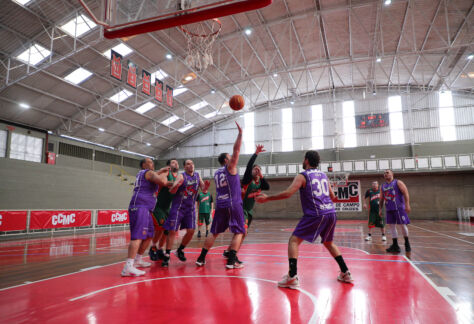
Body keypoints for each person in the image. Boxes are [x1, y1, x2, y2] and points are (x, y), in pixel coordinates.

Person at [256, 150, 353, 289]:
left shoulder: (303, 176)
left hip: (316, 213)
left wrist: (267, 198)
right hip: (331, 212)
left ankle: (292, 276)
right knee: (329, 243)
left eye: (303, 159)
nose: (303, 161)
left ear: (307, 160)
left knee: (293, 241)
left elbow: (288, 193)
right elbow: (333, 197)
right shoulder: (323, 175)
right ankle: (345, 272)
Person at [196, 122, 246, 269]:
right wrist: (240, 134)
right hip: (233, 203)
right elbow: (236, 150)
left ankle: (201, 258)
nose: (232, 158)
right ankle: (231, 261)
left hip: (221, 204)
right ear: (226, 160)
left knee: (214, 232)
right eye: (229, 157)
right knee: (239, 231)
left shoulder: (217, 172)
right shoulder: (230, 167)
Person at [121, 158, 169, 276]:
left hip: (147, 209)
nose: (152, 163)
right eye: (150, 162)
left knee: (149, 235)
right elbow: (163, 182)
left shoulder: (147, 175)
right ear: (143, 165)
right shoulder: (147, 172)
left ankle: (137, 260)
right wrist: (165, 173)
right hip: (140, 207)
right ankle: (128, 267)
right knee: (137, 237)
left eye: (153, 162)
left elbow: (158, 179)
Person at [223, 144, 269, 261]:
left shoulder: (259, 183)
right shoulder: (248, 180)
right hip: (241, 209)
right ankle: (233, 256)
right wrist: (256, 153)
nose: (256, 170)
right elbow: (249, 166)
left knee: (242, 233)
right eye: (255, 169)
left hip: (249, 211)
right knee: (242, 232)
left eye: (258, 169)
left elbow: (267, 187)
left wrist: (261, 175)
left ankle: (229, 251)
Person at [161, 159, 210, 267]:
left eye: (192, 163)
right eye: (188, 164)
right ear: (185, 167)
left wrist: (205, 187)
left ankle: (180, 250)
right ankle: (167, 254)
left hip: (190, 208)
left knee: (191, 231)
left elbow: (203, 189)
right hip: (178, 207)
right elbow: (172, 191)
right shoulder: (181, 176)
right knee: (172, 231)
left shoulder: (197, 175)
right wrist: (176, 186)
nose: (191, 165)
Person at [149, 159, 179, 261]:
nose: (176, 163)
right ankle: (153, 247)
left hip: (168, 208)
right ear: (168, 165)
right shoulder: (166, 173)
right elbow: (162, 182)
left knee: (167, 231)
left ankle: (160, 249)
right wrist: (176, 183)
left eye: (177, 162)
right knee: (160, 228)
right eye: (173, 162)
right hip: (158, 206)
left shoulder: (179, 176)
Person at [379, 169, 411, 253]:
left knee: (402, 226)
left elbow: (406, 193)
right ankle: (395, 245)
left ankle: (407, 243)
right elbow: (381, 199)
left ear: (392, 174)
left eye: (387, 172)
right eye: (384, 173)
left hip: (399, 208)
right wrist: (380, 209)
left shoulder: (398, 182)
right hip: (389, 209)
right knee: (391, 227)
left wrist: (407, 204)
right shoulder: (382, 186)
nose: (385, 174)